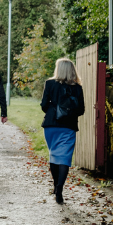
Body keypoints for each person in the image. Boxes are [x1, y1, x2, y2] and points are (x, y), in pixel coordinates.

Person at [41, 58, 85, 204]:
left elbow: (43, 105)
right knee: (65, 158)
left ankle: (55, 185)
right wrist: (69, 112)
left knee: (54, 155)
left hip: (51, 125)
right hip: (68, 126)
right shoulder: (77, 88)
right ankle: (60, 188)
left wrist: (54, 111)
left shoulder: (50, 84)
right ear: (72, 70)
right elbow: (81, 110)